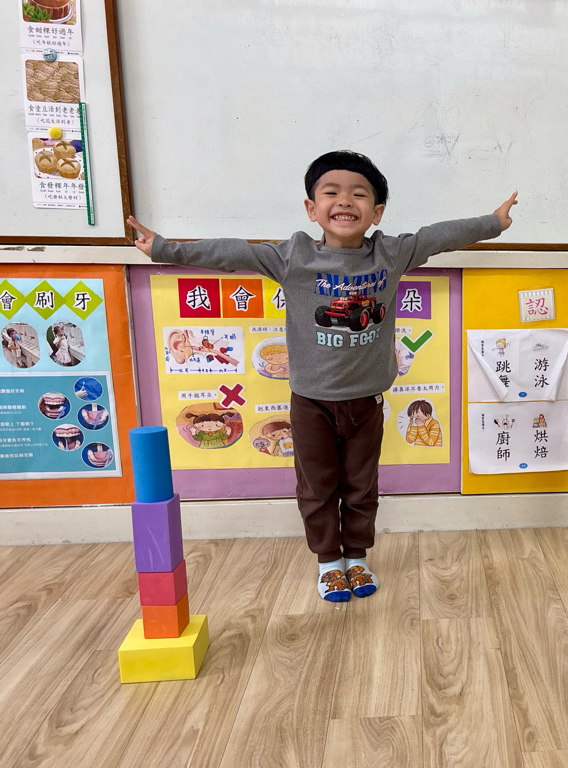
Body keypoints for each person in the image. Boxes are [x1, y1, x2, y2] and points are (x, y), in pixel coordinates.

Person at [129, 150, 516, 602]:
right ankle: (329, 562)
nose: (345, 200)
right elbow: (232, 252)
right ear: (312, 209)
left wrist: (494, 222)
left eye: (359, 194)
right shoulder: (293, 256)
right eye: (331, 192)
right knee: (316, 487)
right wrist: (163, 248)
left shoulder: (390, 254)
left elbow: (437, 237)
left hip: (367, 401)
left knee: (361, 486)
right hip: (310, 402)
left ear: (377, 212)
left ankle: (357, 557)